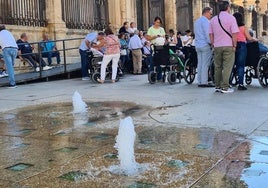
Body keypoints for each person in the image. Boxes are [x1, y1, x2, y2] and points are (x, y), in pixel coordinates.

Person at [209, 0, 239, 93]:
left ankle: (217, 85)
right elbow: (234, 33)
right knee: (227, 66)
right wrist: (234, 45)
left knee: (218, 66)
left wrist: (213, 43)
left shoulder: (213, 19)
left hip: (217, 45)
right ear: (228, 7)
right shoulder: (231, 18)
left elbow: (210, 33)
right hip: (228, 45)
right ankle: (225, 86)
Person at [233, 12, 257, 91]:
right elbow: (249, 38)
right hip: (242, 46)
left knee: (231, 64)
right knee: (241, 65)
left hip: (233, 45)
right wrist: (255, 39)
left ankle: (229, 82)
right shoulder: (243, 27)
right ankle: (240, 84)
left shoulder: (232, 27)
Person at [194, 7, 214, 88]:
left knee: (200, 64)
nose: (211, 16)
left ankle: (199, 80)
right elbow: (208, 34)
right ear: (207, 12)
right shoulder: (206, 22)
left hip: (198, 45)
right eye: (211, 14)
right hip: (205, 45)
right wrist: (211, 43)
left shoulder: (197, 21)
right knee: (205, 64)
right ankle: (204, 82)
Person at [146, 16, 166, 81]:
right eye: (157, 22)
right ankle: (151, 76)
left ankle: (159, 77)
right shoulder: (150, 29)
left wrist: (162, 37)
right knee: (152, 61)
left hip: (161, 46)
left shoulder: (161, 29)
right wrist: (154, 37)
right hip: (153, 46)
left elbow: (164, 37)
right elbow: (148, 38)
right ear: (154, 22)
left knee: (160, 62)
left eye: (159, 23)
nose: (158, 24)